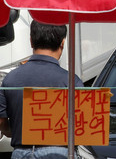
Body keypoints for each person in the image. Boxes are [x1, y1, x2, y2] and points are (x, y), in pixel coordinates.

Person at [0, 21, 83, 159]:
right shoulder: (71, 81)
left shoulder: (9, 79)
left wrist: (16, 131)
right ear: (62, 43)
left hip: (21, 152)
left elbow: (2, 123)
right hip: (59, 152)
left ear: (31, 41)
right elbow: (81, 126)